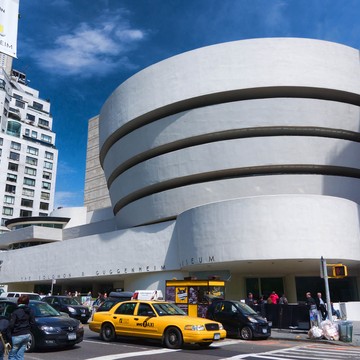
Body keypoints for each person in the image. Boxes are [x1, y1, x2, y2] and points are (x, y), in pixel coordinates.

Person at [8, 295, 35, 360]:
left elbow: (11, 325)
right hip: (26, 334)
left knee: (12, 355)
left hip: (17, 335)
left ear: (19, 302)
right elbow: (32, 323)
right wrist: (28, 329)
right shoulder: (30, 311)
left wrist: (8, 334)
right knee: (20, 355)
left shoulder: (16, 312)